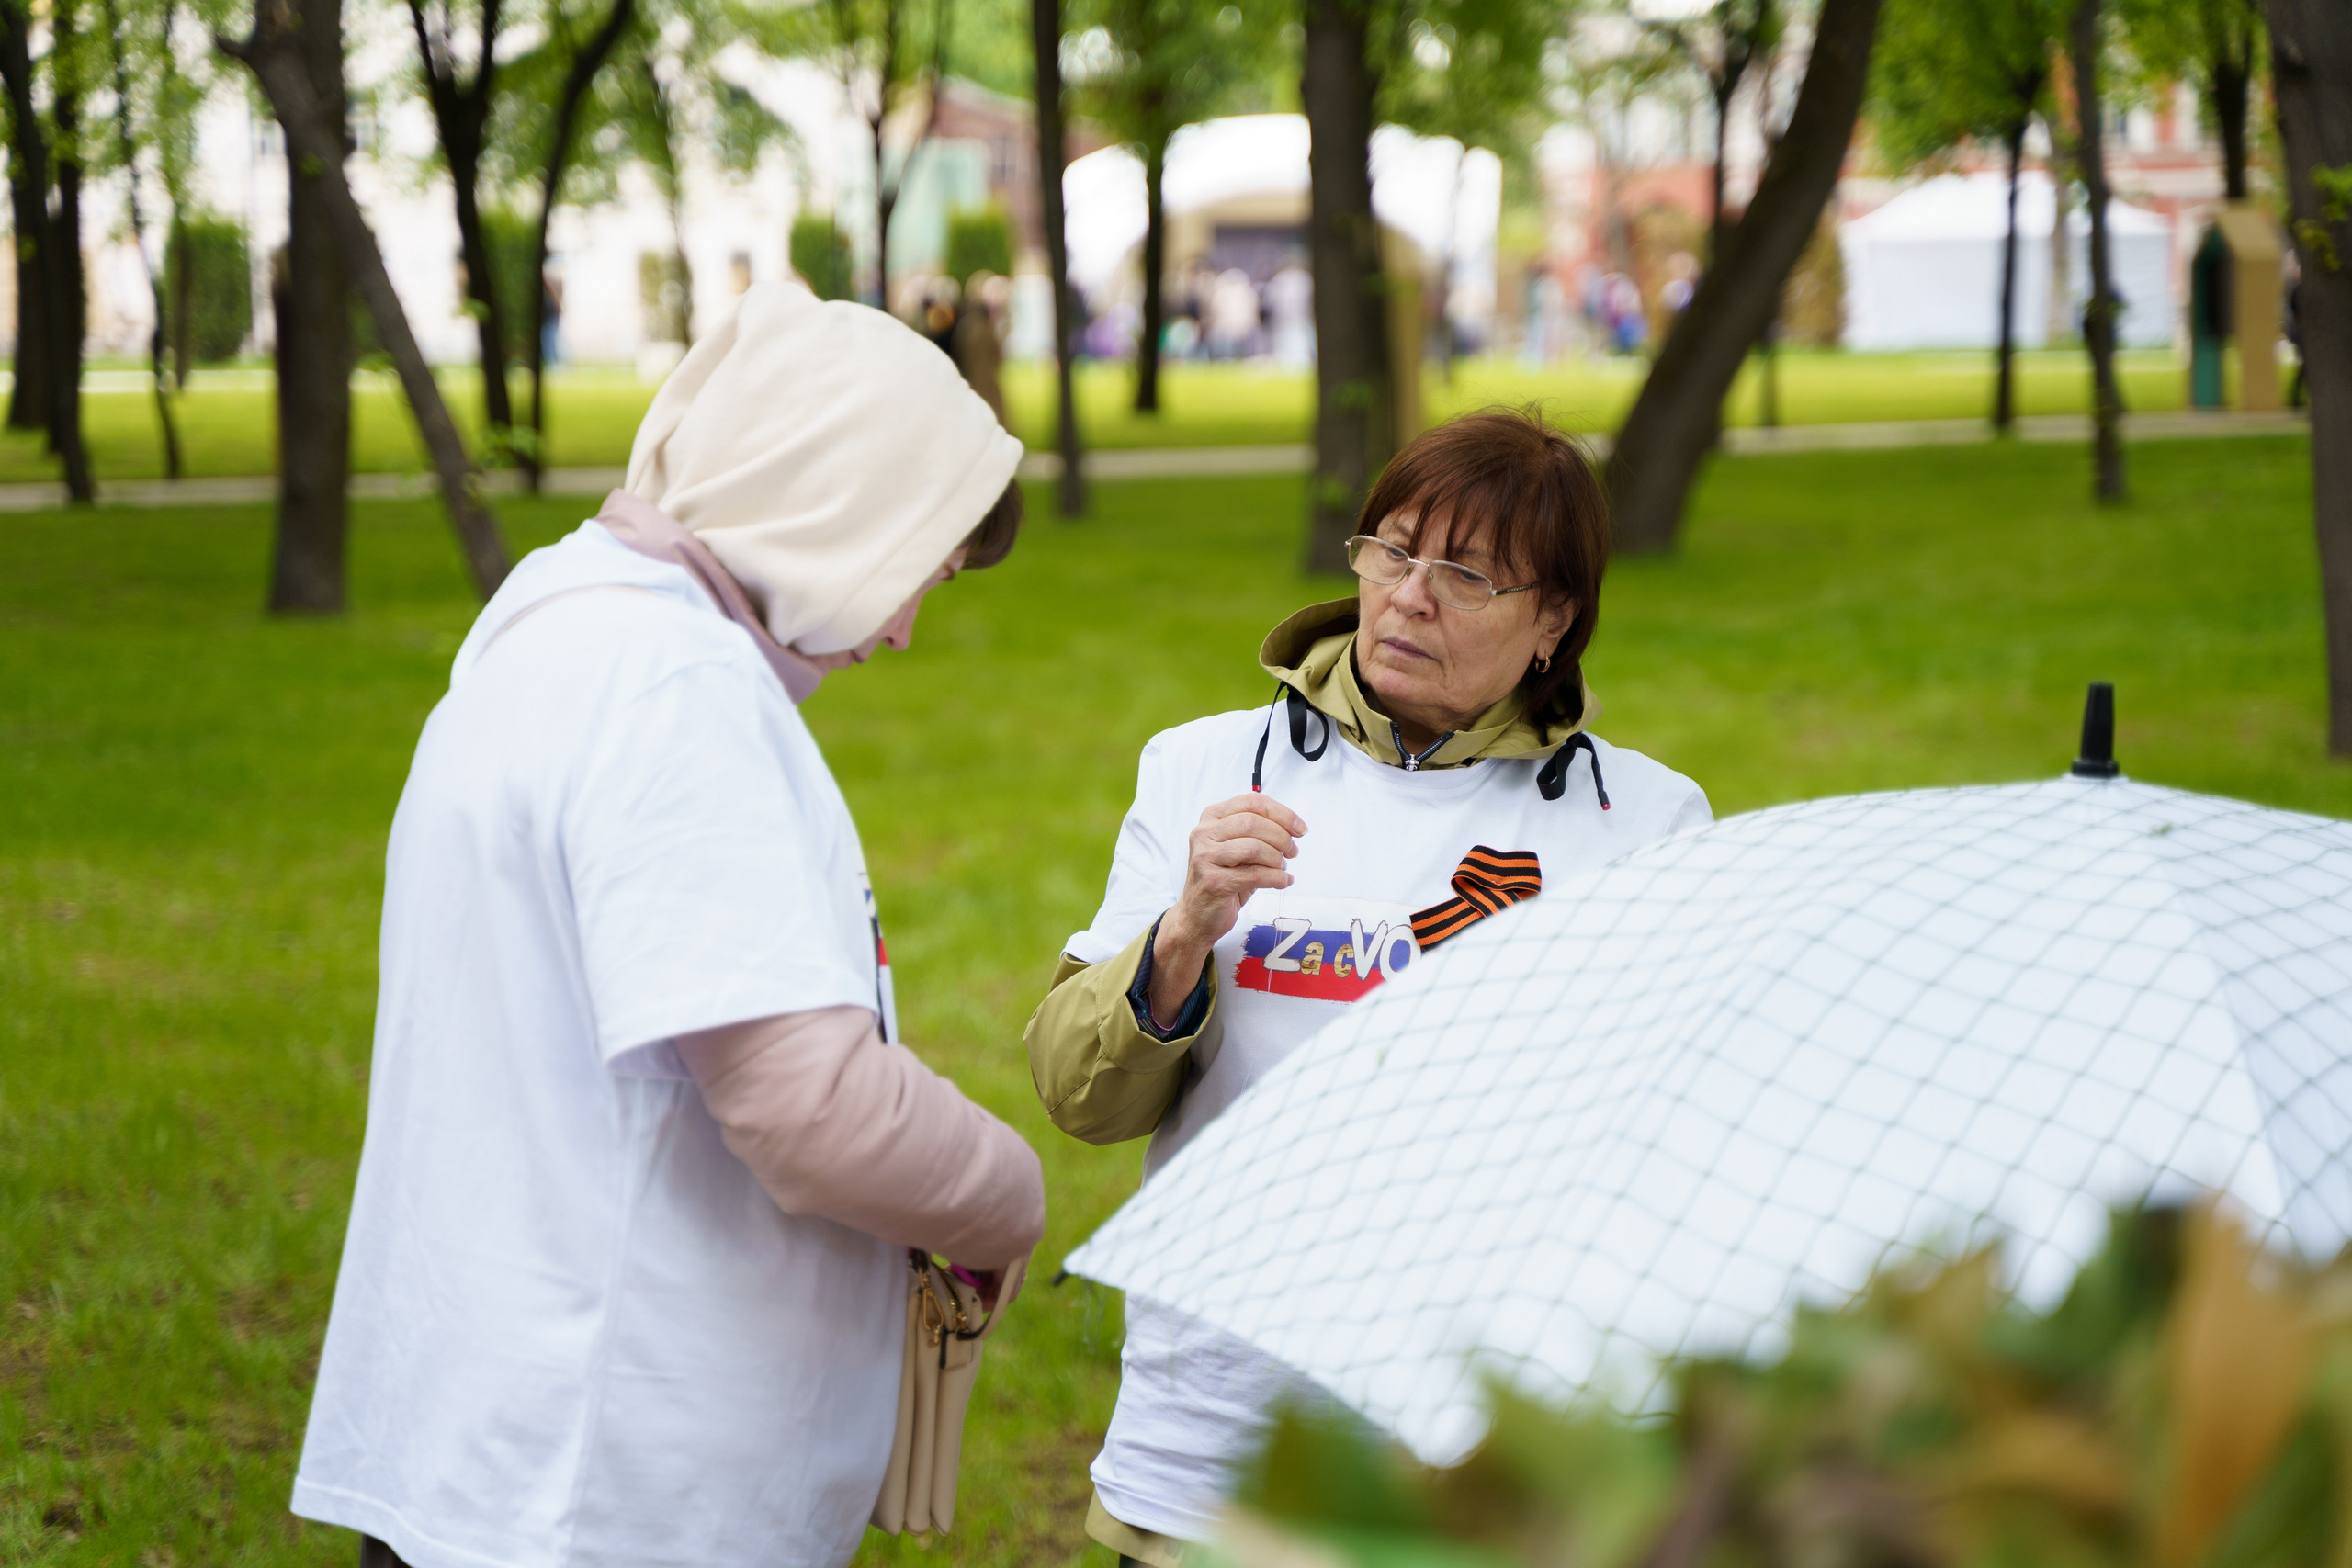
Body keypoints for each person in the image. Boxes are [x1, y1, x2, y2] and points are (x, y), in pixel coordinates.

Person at [291, 281, 1047, 1568]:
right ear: (829, 500)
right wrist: (1002, 1193)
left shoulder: (552, 623)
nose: (905, 628)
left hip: (497, 1437)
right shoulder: (675, 688)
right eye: (912, 569)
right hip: (608, 1483)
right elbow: (808, 1110)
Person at [1025, 409, 1711, 1566]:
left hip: (1493, 1436)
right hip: (1226, 1420)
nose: (1407, 596)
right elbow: (1079, 1096)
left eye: (1465, 573)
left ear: (1555, 619)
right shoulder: (1204, 767)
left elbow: (1675, 1147)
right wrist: (1185, 929)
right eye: (1391, 550)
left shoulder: (1641, 822)